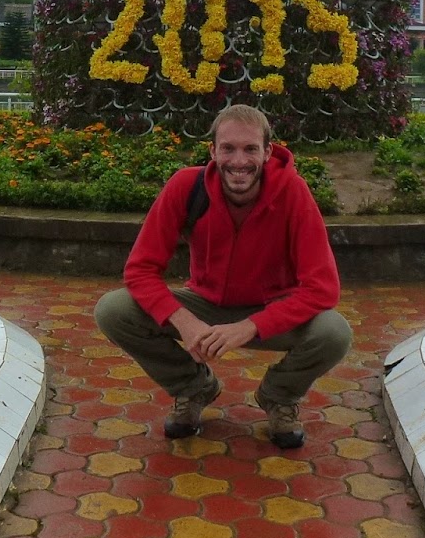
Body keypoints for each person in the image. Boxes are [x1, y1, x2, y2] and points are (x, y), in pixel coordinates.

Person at [94, 104, 352, 449]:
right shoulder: (187, 186)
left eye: (250, 149)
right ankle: (193, 388)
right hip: (204, 302)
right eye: (228, 148)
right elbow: (140, 269)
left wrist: (250, 326)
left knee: (334, 332)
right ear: (213, 151)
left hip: (270, 307)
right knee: (113, 310)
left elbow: (323, 288)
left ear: (267, 152)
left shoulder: (293, 192)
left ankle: (279, 396)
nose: (238, 161)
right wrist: (185, 322)